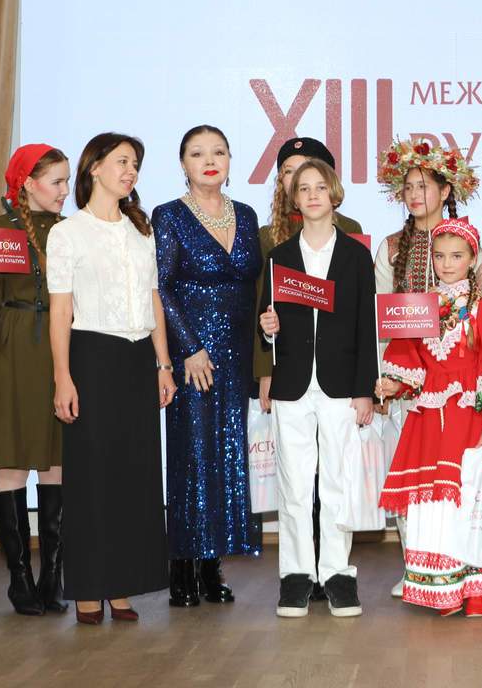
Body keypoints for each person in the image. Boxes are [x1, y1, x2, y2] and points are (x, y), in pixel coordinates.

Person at [47, 132, 175, 624]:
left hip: (139, 359)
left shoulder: (141, 230)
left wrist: (163, 364)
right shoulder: (68, 233)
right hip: (92, 357)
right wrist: (63, 377)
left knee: (134, 476)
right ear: (94, 168)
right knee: (91, 477)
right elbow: (61, 312)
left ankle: (121, 585)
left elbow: (153, 300)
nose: (131, 171)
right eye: (122, 161)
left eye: (135, 163)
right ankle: (87, 588)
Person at [376, 218, 482, 616]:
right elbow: (409, 358)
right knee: (435, 504)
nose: (446, 264)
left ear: (473, 259)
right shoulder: (419, 306)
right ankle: (443, 585)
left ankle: (476, 589)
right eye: (439, 256)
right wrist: (394, 383)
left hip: (469, 414)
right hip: (429, 418)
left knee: (471, 497)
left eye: (456, 256)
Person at [257, 158, 376, 619]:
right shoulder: (279, 257)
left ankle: (337, 574)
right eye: (303, 188)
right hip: (291, 384)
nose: (311, 195)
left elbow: (366, 326)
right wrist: (268, 327)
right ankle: (296, 575)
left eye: (319, 187)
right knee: (294, 484)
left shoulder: (355, 256)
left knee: (337, 483)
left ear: (334, 194)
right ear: (294, 198)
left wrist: (364, 390)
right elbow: (267, 322)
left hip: (340, 386)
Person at [153, 125, 264, 608]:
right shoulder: (168, 215)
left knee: (228, 455)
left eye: (219, 151)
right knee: (192, 457)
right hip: (192, 354)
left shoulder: (248, 214)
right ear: (183, 164)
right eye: (198, 153)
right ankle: (183, 566)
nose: (210, 160)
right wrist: (190, 348)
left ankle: (212, 566)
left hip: (237, 353)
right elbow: (161, 287)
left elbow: (255, 285)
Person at [373, 137, 481, 599]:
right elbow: (381, 315)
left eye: (424, 186)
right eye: (408, 187)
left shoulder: (468, 241)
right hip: (408, 379)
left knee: (458, 474)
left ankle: (461, 562)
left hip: (456, 382)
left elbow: (481, 307)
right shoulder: (392, 247)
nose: (415, 195)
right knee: (411, 474)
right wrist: (389, 377)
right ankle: (415, 564)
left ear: (445, 190)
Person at [0, 143, 71, 617]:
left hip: (62, 348)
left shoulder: (72, 231)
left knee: (56, 463)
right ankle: (19, 578)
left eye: (67, 180)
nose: (65, 190)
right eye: (56, 181)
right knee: (12, 465)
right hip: (14, 350)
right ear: (28, 183)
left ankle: (53, 575)